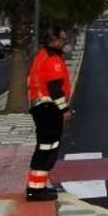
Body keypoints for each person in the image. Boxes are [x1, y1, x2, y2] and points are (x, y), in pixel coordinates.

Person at [25, 27, 72, 202]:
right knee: (47, 148)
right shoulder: (52, 60)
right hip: (49, 109)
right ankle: (35, 190)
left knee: (45, 148)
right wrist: (65, 110)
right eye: (63, 40)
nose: (65, 43)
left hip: (43, 108)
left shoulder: (43, 56)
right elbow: (55, 89)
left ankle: (37, 187)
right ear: (54, 40)